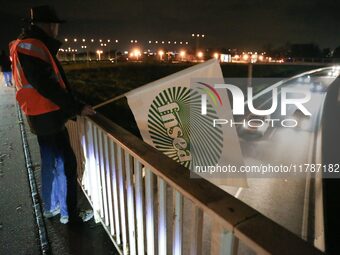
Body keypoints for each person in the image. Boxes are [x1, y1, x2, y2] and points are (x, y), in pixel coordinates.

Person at [9, 5, 95, 224]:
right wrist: (77, 107)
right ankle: (70, 215)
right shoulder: (34, 46)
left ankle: (51, 207)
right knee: (67, 164)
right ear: (46, 26)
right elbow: (48, 85)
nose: (57, 29)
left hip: (36, 113)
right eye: (55, 25)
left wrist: (75, 103)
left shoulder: (23, 44)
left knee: (50, 161)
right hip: (47, 114)